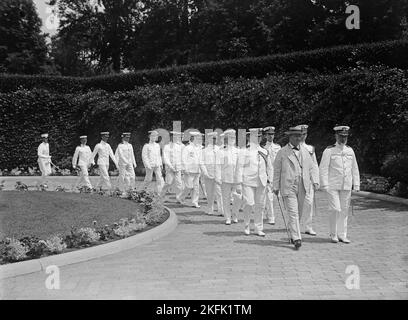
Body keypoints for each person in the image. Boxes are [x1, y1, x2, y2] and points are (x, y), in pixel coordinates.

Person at [273, 126, 319, 250]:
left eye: (300, 136)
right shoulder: (282, 152)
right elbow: (276, 170)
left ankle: (293, 232)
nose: (299, 138)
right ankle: (297, 238)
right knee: (293, 212)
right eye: (296, 136)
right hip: (289, 186)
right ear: (290, 137)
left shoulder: (305, 151)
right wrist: (275, 185)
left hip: (303, 184)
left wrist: (315, 181)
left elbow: (312, 167)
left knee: (298, 212)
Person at [319, 125, 360, 244]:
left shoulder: (350, 150)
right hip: (332, 185)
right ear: (336, 136)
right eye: (341, 136)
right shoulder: (329, 150)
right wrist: (324, 185)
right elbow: (323, 168)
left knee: (344, 210)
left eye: (345, 136)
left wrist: (356, 184)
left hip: (346, 185)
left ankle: (342, 235)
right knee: (335, 209)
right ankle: (333, 234)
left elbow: (354, 168)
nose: (343, 139)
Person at [236, 128, 273, 236]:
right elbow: (239, 167)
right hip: (247, 181)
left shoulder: (264, 151)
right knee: (249, 203)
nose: (257, 139)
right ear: (249, 137)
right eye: (255, 137)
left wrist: (270, 181)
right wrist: (238, 183)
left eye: (259, 136)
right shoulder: (243, 151)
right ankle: (246, 225)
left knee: (260, 205)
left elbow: (269, 167)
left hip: (261, 181)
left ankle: (258, 228)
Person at [215, 129, 241, 225]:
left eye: (233, 137)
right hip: (225, 178)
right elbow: (217, 165)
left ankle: (235, 214)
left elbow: (241, 165)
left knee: (238, 197)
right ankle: (228, 217)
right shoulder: (221, 151)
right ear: (226, 139)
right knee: (225, 198)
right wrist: (218, 177)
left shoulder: (238, 151)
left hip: (236, 178)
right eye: (230, 137)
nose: (232, 139)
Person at [299, 124, 319, 236]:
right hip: (296, 180)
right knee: (297, 205)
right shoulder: (291, 148)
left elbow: (314, 165)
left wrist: (316, 180)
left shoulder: (310, 149)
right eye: (300, 134)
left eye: (304, 134)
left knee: (309, 203)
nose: (302, 136)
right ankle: (294, 225)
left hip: (308, 181)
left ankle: (308, 226)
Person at [200, 131, 223, 216]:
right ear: (209, 139)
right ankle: (210, 209)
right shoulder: (204, 150)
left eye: (215, 138)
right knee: (210, 193)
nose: (214, 140)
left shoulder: (219, 149)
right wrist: (205, 173)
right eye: (213, 138)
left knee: (219, 193)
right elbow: (201, 162)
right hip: (208, 174)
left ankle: (221, 210)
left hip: (218, 175)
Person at [262, 126, 281, 225]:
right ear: (265, 135)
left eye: (272, 134)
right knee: (269, 196)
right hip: (267, 174)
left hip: (277, 174)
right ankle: (271, 216)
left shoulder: (278, 147)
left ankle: (269, 212)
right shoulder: (263, 147)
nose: (271, 136)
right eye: (269, 134)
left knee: (275, 197)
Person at [180, 131, 203, 208]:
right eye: (197, 138)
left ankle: (195, 202)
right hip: (189, 170)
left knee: (196, 187)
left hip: (197, 170)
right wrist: (185, 168)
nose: (199, 140)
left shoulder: (200, 148)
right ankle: (181, 197)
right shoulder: (187, 148)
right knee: (189, 186)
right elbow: (183, 159)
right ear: (193, 138)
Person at [161, 131, 185, 202]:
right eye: (173, 136)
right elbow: (165, 158)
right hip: (170, 168)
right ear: (170, 137)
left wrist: (182, 167)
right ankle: (161, 196)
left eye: (175, 137)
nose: (174, 138)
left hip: (178, 168)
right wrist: (171, 166)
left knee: (179, 183)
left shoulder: (179, 147)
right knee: (168, 183)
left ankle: (179, 198)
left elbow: (181, 157)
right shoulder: (166, 146)